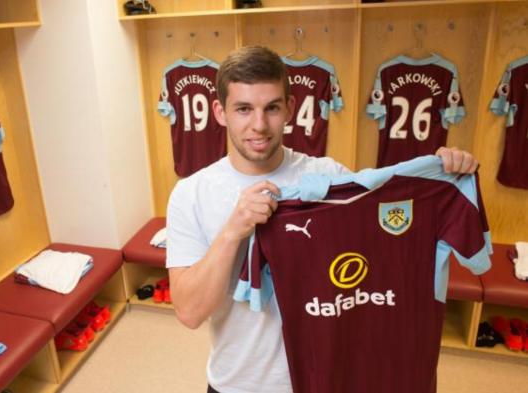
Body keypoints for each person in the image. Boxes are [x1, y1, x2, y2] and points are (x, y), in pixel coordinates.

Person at [166, 46, 479, 393]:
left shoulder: (329, 177)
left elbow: (386, 235)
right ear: (220, 112)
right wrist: (231, 232)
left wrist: (439, 172)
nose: (259, 124)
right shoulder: (190, 194)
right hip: (237, 384)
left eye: (272, 107)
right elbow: (190, 313)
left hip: (328, 380)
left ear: (289, 108)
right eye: (243, 109)